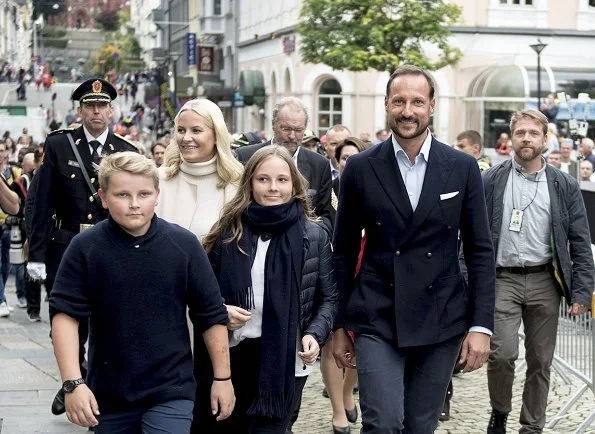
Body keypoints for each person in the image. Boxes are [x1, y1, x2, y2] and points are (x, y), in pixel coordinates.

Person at [332, 65, 496, 433]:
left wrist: (481, 324)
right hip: (377, 314)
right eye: (400, 101)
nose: (408, 111)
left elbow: (481, 250)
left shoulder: (462, 167)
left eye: (417, 102)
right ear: (387, 104)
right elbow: (341, 252)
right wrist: (338, 324)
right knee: (383, 422)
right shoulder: (359, 168)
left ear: (432, 106)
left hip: (441, 316)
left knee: (421, 425)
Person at [49, 152, 235, 432]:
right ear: (103, 197)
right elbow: (65, 316)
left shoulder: (183, 245)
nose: (135, 204)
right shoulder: (85, 248)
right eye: (122, 195)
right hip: (108, 395)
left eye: (144, 194)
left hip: (171, 391)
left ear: (157, 195)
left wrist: (223, 378)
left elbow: (210, 315)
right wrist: (73, 383)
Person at [196, 145, 338, 433]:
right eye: (263, 179)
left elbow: (329, 298)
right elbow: (201, 294)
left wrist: (314, 334)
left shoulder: (314, 235)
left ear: (294, 185)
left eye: (282, 180)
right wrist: (221, 311)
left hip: (286, 358)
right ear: (250, 182)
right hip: (232, 355)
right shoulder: (228, 231)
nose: (273, 188)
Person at [26, 77, 138, 417]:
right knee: (68, 317)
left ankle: (94, 386)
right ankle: (74, 380)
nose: (96, 112)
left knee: (105, 320)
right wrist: (38, 255)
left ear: (112, 111)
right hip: (67, 244)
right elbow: (41, 202)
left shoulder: (126, 151)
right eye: (90, 106)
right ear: (79, 110)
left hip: (109, 247)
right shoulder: (60, 145)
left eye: (102, 106)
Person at [483, 109, 594, 434]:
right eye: (521, 133)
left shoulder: (564, 184)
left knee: (541, 361)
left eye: (533, 133)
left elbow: (579, 239)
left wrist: (582, 292)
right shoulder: (492, 178)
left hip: (546, 280)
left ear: (545, 139)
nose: (526, 138)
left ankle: (532, 426)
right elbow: (472, 235)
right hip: (502, 279)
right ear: (512, 138)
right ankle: (500, 411)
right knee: (501, 354)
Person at [235, 97, 333, 234]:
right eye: (286, 129)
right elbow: (235, 206)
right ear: (273, 125)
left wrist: (309, 237)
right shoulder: (244, 157)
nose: (292, 136)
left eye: (298, 130)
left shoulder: (319, 164)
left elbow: (325, 216)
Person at [324, 135, 368, 434]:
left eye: (354, 158)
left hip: (364, 269)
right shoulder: (329, 193)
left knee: (359, 342)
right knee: (331, 342)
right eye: (343, 158)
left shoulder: (373, 187)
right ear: (336, 162)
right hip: (330, 269)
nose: (348, 163)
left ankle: (348, 391)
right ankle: (338, 410)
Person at [156, 98, 243, 241]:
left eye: (196, 130)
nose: (186, 138)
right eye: (181, 130)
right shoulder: (157, 180)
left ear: (216, 135)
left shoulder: (237, 183)